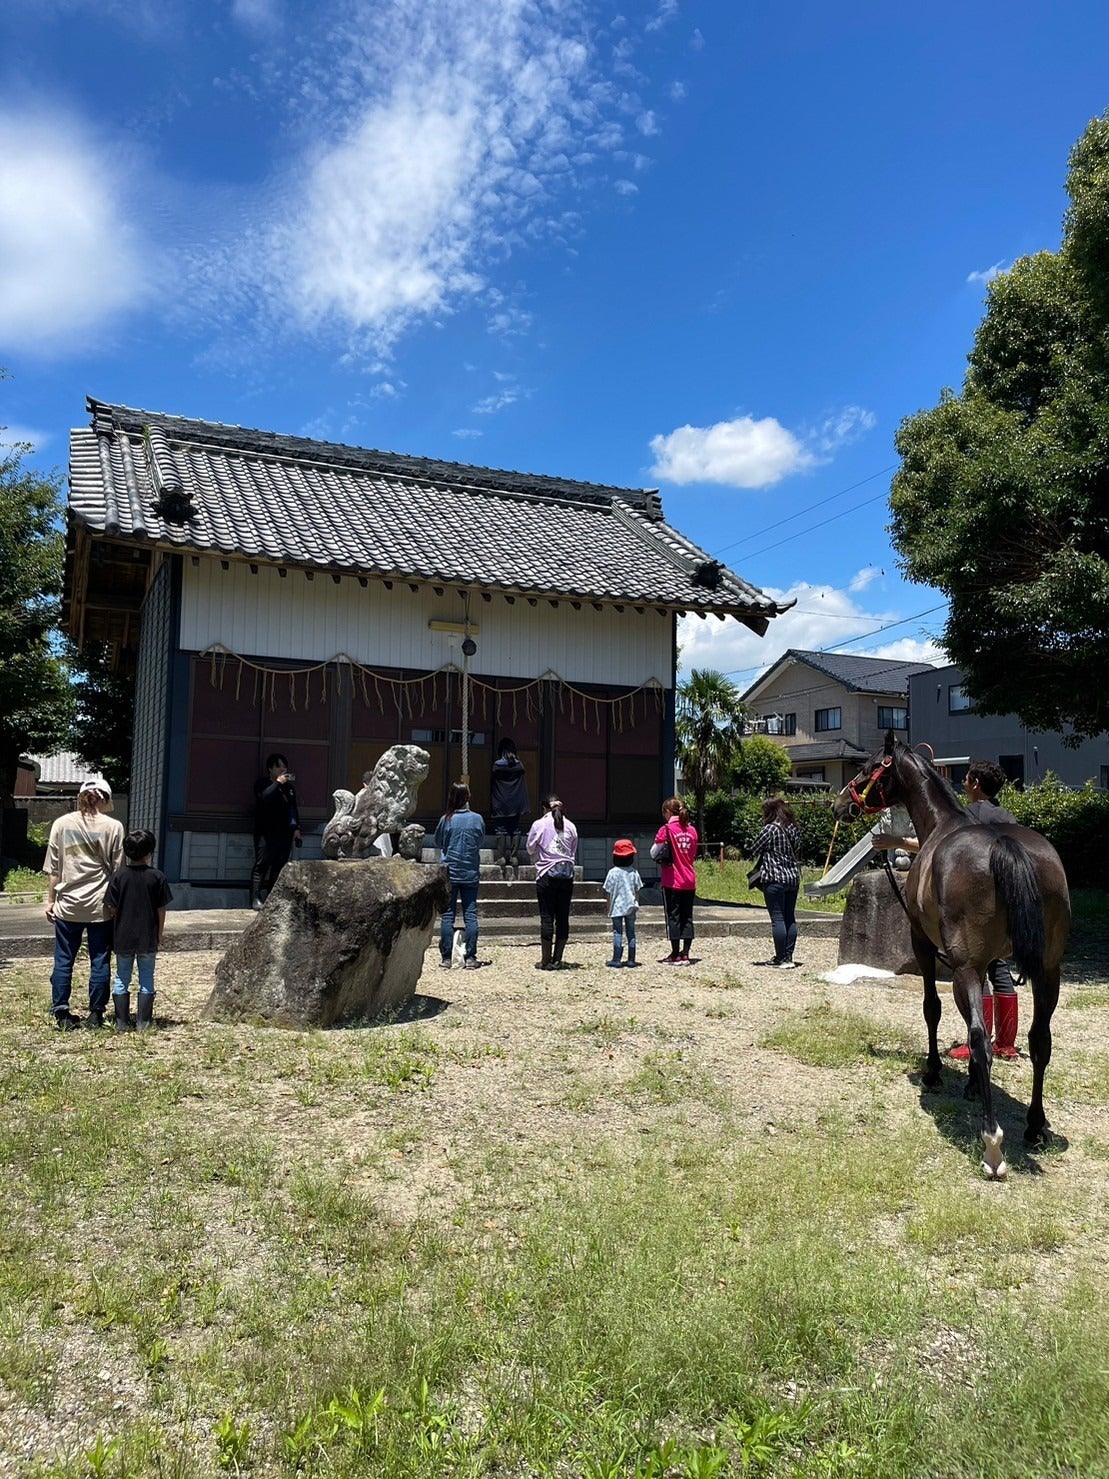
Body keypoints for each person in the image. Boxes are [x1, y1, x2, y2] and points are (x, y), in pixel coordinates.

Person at [872, 758, 1021, 1058]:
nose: (963, 783)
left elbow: (936, 846)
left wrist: (895, 841)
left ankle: (977, 1040)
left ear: (975, 784)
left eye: (966, 778)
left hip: (973, 899)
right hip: (1006, 900)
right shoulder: (1007, 816)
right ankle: (1006, 1043)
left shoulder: (966, 816)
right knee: (1000, 966)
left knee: (975, 970)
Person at [43, 778, 125, 1030]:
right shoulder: (113, 826)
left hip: (68, 904)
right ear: (104, 798)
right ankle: (96, 1014)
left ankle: (62, 1013)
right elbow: (118, 870)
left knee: (64, 959)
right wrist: (115, 903)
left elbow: (54, 868)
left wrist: (51, 900)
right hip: (100, 904)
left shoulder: (61, 824)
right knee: (99, 959)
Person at [105, 828, 173, 1032]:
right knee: (146, 977)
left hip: (123, 936)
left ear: (127, 851)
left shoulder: (118, 877)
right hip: (147, 936)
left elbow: (111, 908)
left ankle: (122, 1022)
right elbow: (161, 909)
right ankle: (144, 1022)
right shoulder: (157, 877)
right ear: (149, 852)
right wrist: (159, 933)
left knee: (121, 976)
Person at [434, 781, 485, 970]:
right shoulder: (477, 819)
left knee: (447, 916)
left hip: (450, 871)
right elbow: (479, 840)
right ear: (467, 798)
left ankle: (447, 957)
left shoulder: (446, 819)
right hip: (470, 871)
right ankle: (470, 956)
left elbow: (439, 841)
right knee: (470, 914)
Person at [527, 795, 579, 970]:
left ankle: (545, 959)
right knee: (563, 917)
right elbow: (573, 850)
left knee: (547, 917)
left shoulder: (539, 824)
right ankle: (558, 959)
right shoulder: (571, 826)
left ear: (544, 808)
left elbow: (530, 847)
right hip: (566, 875)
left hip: (546, 873)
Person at [750, 796, 802, 970]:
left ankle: (780, 958)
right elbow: (798, 850)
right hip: (793, 878)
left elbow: (753, 849)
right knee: (789, 917)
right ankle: (788, 956)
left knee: (777, 918)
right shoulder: (794, 828)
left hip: (774, 878)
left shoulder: (769, 829)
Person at [651, 797, 699, 965]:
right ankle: (686, 954)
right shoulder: (692, 830)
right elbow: (693, 853)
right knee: (687, 916)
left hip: (672, 880)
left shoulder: (666, 829)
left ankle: (674, 953)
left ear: (668, 812)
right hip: (689, 879)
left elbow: (654, 852)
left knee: (674, 916)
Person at [251, 753, 301, 909]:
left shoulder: (289, 788)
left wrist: (296, 828)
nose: (283, 769)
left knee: (278, 866)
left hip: (284, 833)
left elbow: (293, 809)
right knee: (262, 865)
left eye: (284, 767)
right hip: (265, 833)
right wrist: (277, 783)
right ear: (270, 769)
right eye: (279, 766)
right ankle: (255, 898)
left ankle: (271, 899)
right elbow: (264, 798)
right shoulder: (262, 784)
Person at [603, 840, 643, 968]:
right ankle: (631, 959)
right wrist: (637, 903)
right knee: (631, 932)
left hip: (616, 907)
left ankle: (616, 959)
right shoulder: (634, 872)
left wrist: (608, 907)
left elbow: (608, 892)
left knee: (617, 932)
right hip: (631, 906)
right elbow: (637, 890)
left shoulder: (612, 873)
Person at [490, 738, 529, 865]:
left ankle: (501, 857)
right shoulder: (519, 766)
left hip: (500, 801)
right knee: (515, 828)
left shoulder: (497, 765)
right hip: (516, 802)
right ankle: (514, 857)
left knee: (500, 829)